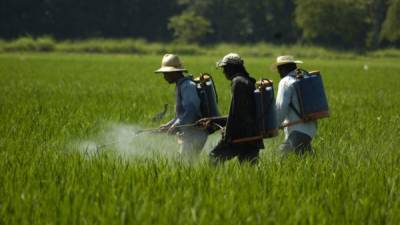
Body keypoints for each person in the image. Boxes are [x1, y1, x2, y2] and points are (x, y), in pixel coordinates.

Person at [201, 53, 264, 164]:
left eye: (225, 68)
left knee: (213, 158)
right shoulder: (249, 81)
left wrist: (228, 135)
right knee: (249, 172)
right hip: (254, 135)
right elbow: (241, 112)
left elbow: (237, 114)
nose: (224, 72)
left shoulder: (237, 82)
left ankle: (217, 181)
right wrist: (214, 120)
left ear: (231, 68)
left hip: (240, 136)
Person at [154, 54, 207, 161]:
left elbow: (191, 110)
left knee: (184, 164)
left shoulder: (187, 86)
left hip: (196, 134)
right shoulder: (181, 85)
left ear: (175, 72)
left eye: (166, 73)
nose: (164, 76)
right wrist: (169, 125)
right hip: (190, 133)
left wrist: (176, 126)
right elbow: (182, 114)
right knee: (184, 164)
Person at [274, 55, 317, 155]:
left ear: (283, 69)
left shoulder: (285, 81)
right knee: (307, 160)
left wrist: (274, 125)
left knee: (280, 157)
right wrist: (283, 122)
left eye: (279, 70)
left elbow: (281, 107)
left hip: (297, 130)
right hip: (310, 129)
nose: (279, 73)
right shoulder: (305, 78)